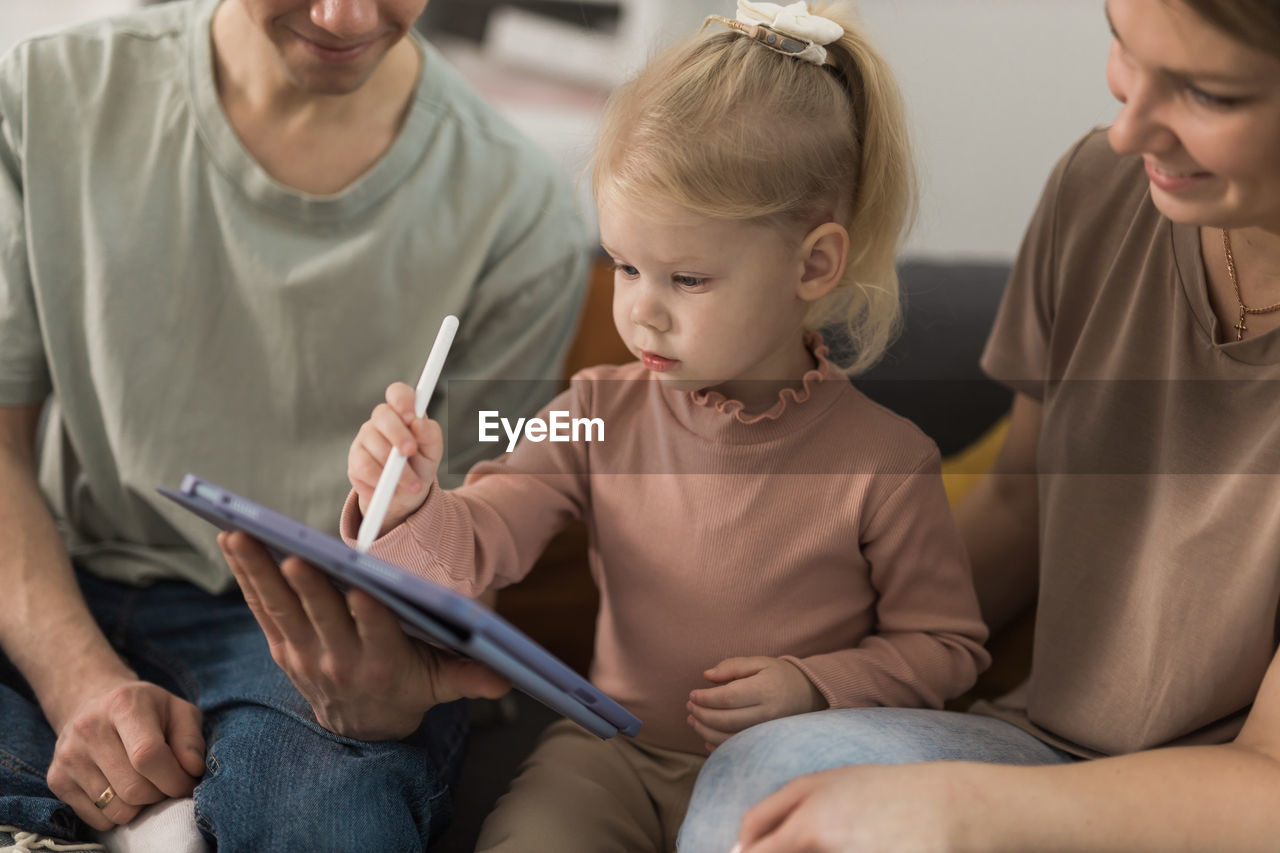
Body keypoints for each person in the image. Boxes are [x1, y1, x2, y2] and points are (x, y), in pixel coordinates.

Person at [326, 2, 991, 849]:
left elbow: (945, 649)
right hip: (610, 753)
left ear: (814, 263)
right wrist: (411, 499)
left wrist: (814, 685)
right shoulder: (598, 414)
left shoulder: (886, 462)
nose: (642, 312)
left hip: (791, 759)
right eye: (624, 265)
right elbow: (483, 540)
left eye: (686, 278)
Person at [676, 0, 1280, 850]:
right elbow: (1017, 507)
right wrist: (793, 651)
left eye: (1208, 94)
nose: (1128, 129)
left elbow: (1269, 785)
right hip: (1038, 747)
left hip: (1218, 813)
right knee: (766, 783)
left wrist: (960, 809)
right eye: (1124, 49)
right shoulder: (1101, 193)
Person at [0, 0, 589, 848]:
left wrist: (394, 687)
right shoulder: (46, 97)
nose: (346, 16)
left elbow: (476, 549)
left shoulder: (520, 211)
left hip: (329, 624)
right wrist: (79, 681)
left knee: (325, 816)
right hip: (59, 573)